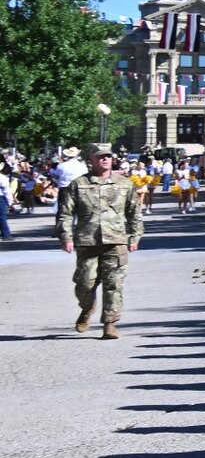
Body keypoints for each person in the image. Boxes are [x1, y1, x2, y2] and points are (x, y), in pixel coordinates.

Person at [56, 143, 144, 339]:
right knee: (84, 285)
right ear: (92, 160)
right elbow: (65, 213)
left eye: (108, 156)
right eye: (100, 156)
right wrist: (66, 236)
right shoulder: (78, 185)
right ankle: (87, 308)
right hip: (87, 242)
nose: (105, 159)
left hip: (116, 241)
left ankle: (109, 324)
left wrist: (135, 236)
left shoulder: (124, 184)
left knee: (114, 284)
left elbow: (134, 213)